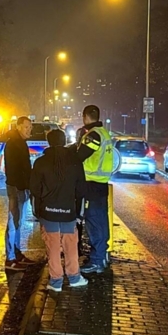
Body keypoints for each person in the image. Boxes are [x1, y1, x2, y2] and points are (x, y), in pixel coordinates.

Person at [31, 128, 88, 291]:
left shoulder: (40, 162)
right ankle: (74, 277)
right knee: (70, 244)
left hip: (48, 212)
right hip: (68, 211)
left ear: (49, 142)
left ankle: (56, 281)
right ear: (64, 142)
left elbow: (34, 189)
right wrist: (76, 208)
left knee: (52, 246)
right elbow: (81, 189)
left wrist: (41, 205)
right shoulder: (75, 163)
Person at [73, 104, 118, 275]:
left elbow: (79, 156)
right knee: (101, 221)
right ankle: (102, 256)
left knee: (94, 222)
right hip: (101, 184)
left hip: (91, 185)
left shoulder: (93, 136)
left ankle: (97, 261)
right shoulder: (104, 133)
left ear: (85, 117)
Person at [3, 116, 37, 271]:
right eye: (26, 127)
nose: (29, 130)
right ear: (18, 127)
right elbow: (15, 169)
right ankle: (10, 258)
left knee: (18, 222)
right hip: (16, 188)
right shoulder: (14, 144)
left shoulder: (20, 142)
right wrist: (22, 186)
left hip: (21, 187)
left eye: (30, 127)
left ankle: (17, 253)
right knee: (13, 221)